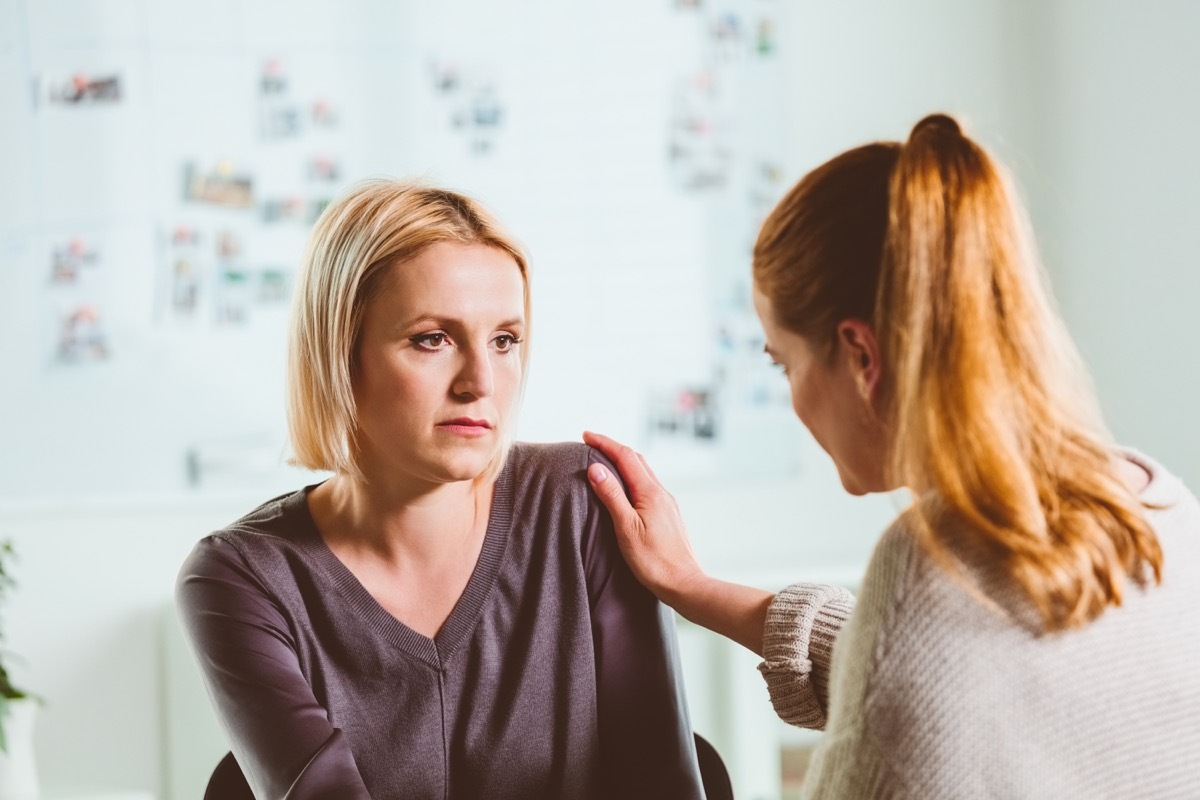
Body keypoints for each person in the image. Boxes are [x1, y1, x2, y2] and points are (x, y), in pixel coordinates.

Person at [583, 113, 1200, 798]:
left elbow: (914, 663)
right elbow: (931, 672)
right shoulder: (1154, 505)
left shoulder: (929, 572)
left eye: (783, 363)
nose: (792, 397)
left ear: (860, 355)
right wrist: (691, 586)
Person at [176, 179, 705, 799]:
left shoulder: (583, 503)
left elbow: (660, 785)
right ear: (341, 353)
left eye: (505, 340)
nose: (481, 382)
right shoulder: (241, 576)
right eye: (433, 338)